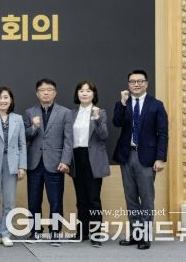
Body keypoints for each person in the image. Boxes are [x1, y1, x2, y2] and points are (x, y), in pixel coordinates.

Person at [113, 69, 168, 250]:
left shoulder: (156, 105)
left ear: (146, 83)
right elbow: (117, 122)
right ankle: (135, 234)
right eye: (132, 81)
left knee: (146, 198)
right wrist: (122, 103)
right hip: (126, 155)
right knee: (130, 198)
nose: (136, 84)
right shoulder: (123, 103)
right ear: (128, 84)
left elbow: (163, 134)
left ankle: (145, 236)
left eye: (140, 81)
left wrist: (160, 158)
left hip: (147, 157)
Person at [24, 78, 72, 245]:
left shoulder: (65, 112)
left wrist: (66, 161)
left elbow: (68, 139)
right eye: (42, 90)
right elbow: (25, 137)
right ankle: (35, 231)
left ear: (55, 93)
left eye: (49, 89)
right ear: (37, 94)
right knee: (34, 200)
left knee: (56, 200)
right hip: (34, 163)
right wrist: (34, 127)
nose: (46, 92)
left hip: (56, 163)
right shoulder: (29, 112)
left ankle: (55, 232)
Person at [0, 86, 27, 247]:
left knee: (9, 202)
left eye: (6, 97)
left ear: (11, 100)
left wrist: (22, 166)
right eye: (0, 98)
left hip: (12, 163)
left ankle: (6, 233)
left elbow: (22, 144)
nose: (3, 100)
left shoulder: (18, 119)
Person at [69, 80, 110, 248]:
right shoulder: (71, 113)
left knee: (93, 198)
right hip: (76, 157)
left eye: (88, 90)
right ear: (77, 94)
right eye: (81, 90)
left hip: (93, 157)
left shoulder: (100, 112)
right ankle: (82, 232)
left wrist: (97, 118)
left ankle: (96, 233)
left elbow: (104, 135)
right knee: (81, 198)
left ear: (94, 94)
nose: (84, 93)